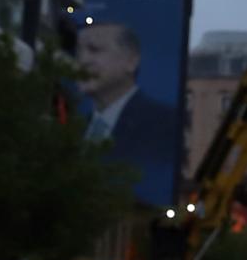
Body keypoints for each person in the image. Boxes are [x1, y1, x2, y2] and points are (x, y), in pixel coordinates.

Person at [73, 21, 181, 203]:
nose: (83, 61)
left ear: (131, 61)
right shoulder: (73, 126)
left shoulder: (163, 123)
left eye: (95, 50)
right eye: (78, 52)